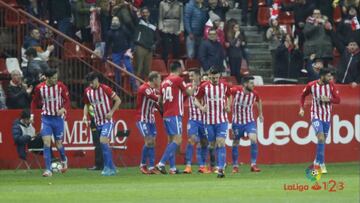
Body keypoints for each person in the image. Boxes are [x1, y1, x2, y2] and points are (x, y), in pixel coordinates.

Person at [299, 68, 341, 174]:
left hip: (327, 117)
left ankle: (316, 161)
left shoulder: (331, 85)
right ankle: (321, 164)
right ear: (322, 76)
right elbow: (302, 96)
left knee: (322, 140)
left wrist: (329, 99)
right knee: (321, 137)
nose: (330, 78)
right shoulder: (311, 85)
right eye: (328, 76)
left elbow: (338, 100)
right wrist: (301, 108)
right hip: (315, 115)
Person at [155, 61, 193, 174]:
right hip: (175, 113)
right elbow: (189, 92)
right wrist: (194, 85)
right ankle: (161, 163)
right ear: (179, 69)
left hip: (166, 114)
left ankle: (172, 168)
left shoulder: (164, 82)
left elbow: (159, 101)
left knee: (171, 141)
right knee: (178, 140)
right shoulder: (178, 79)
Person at [31, 69, 70, 177]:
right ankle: (48, 170)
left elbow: (67, 100)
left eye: (56, 78)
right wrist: (32, 115)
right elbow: (34, 101)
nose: (55, 80)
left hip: (58, 119)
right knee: (47, 143)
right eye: (53, 78)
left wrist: (63, 109)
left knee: (58, 144)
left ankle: (63, 159)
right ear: (47, 78)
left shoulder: (61, 86)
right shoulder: (40, 88)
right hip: (46, 118)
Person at [194, 67, 232, 178]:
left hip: (222, 120)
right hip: (208, 121)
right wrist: (201, 107)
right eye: (213, 77)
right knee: (212, 145)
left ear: (219, 76)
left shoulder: (224, 85)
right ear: (209, 76)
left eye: (217, 77)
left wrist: (228, 105)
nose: (215, 79)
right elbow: (195, 99)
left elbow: (229, 96)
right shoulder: (204, 87)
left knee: (221, 142)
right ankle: (214, 164)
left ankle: (221, 169)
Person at [83, 72, 122, 176]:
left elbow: (118, 100)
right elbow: (87, 105)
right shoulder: (87, 91)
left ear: (96, 79)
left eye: (92, 82)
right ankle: (112, 167)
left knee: (103, 141)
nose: (91, 85)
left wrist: (111, 112)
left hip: (107, 121)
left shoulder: (105, 88)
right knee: (103, 144)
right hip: (97, 122)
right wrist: (84, 116)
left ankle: (107, 168)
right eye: (89, 83)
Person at [231, 76, 263, 173]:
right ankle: (235, 166)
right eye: (251, 83)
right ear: (245, 84)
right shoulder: (235, 91)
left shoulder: (254, 94)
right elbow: (227, 94)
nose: (253, 85)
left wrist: (261, 114)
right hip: (237, 122)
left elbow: (259, 101)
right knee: (236, 142)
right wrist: (227, 104)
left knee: (253, 138)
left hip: (249, 121)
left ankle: (253, 164)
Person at [183, 68, 211, 174]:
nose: (190, 78)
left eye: (192, 76)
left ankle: (202, 166)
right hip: (193, 119)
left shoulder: (206, 87)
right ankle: (188, 166)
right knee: (192, 140)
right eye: (189, 76)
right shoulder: (188, 87)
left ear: (198, 76)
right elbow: (183, 96)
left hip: (205, 120)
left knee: (204, 143)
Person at [136, 71, 161, 175]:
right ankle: (142, 165)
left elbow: (156, 104)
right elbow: (155, 99)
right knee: (149, 141)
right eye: (159, 79)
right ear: (154, 79)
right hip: (142, 119)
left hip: (151, 119)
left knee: (152, 143)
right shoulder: (144, 88)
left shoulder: (154, 90)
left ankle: (151, 166)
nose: (160, 81)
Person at [104, 16, 138, 92]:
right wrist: (105, 55)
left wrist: (131, 47)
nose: (115, 21)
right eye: (113, 20)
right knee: (117, 70)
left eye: (116, 20)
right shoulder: (109, 33)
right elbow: (107, 45)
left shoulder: (124, 29)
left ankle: (134, 86)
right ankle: (118, 88)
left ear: (119, 21)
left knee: (129, 68)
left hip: (125, 52)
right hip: (116, 53)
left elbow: (131, 38)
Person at [134, 7, 157, 79]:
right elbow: (134, 18)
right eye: (143, 12)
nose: (145, 14)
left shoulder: (153, 24)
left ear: (149, 13)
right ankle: (137, 88)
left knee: (147, 70)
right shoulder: (138, 21)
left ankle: (145, 87)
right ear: (141, 14)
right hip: (140, 47)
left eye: (146, 12)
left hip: (149, 49)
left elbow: (158, 38)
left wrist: (155, 44)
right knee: (138, 69)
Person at [87, 105, 104, 171]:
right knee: (99, 144)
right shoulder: (89, 98)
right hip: (94, 122)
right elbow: (86, 106)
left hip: (97, 122)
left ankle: (99, 165)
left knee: (99, 144)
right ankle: (101, 164)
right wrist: (85, 115)